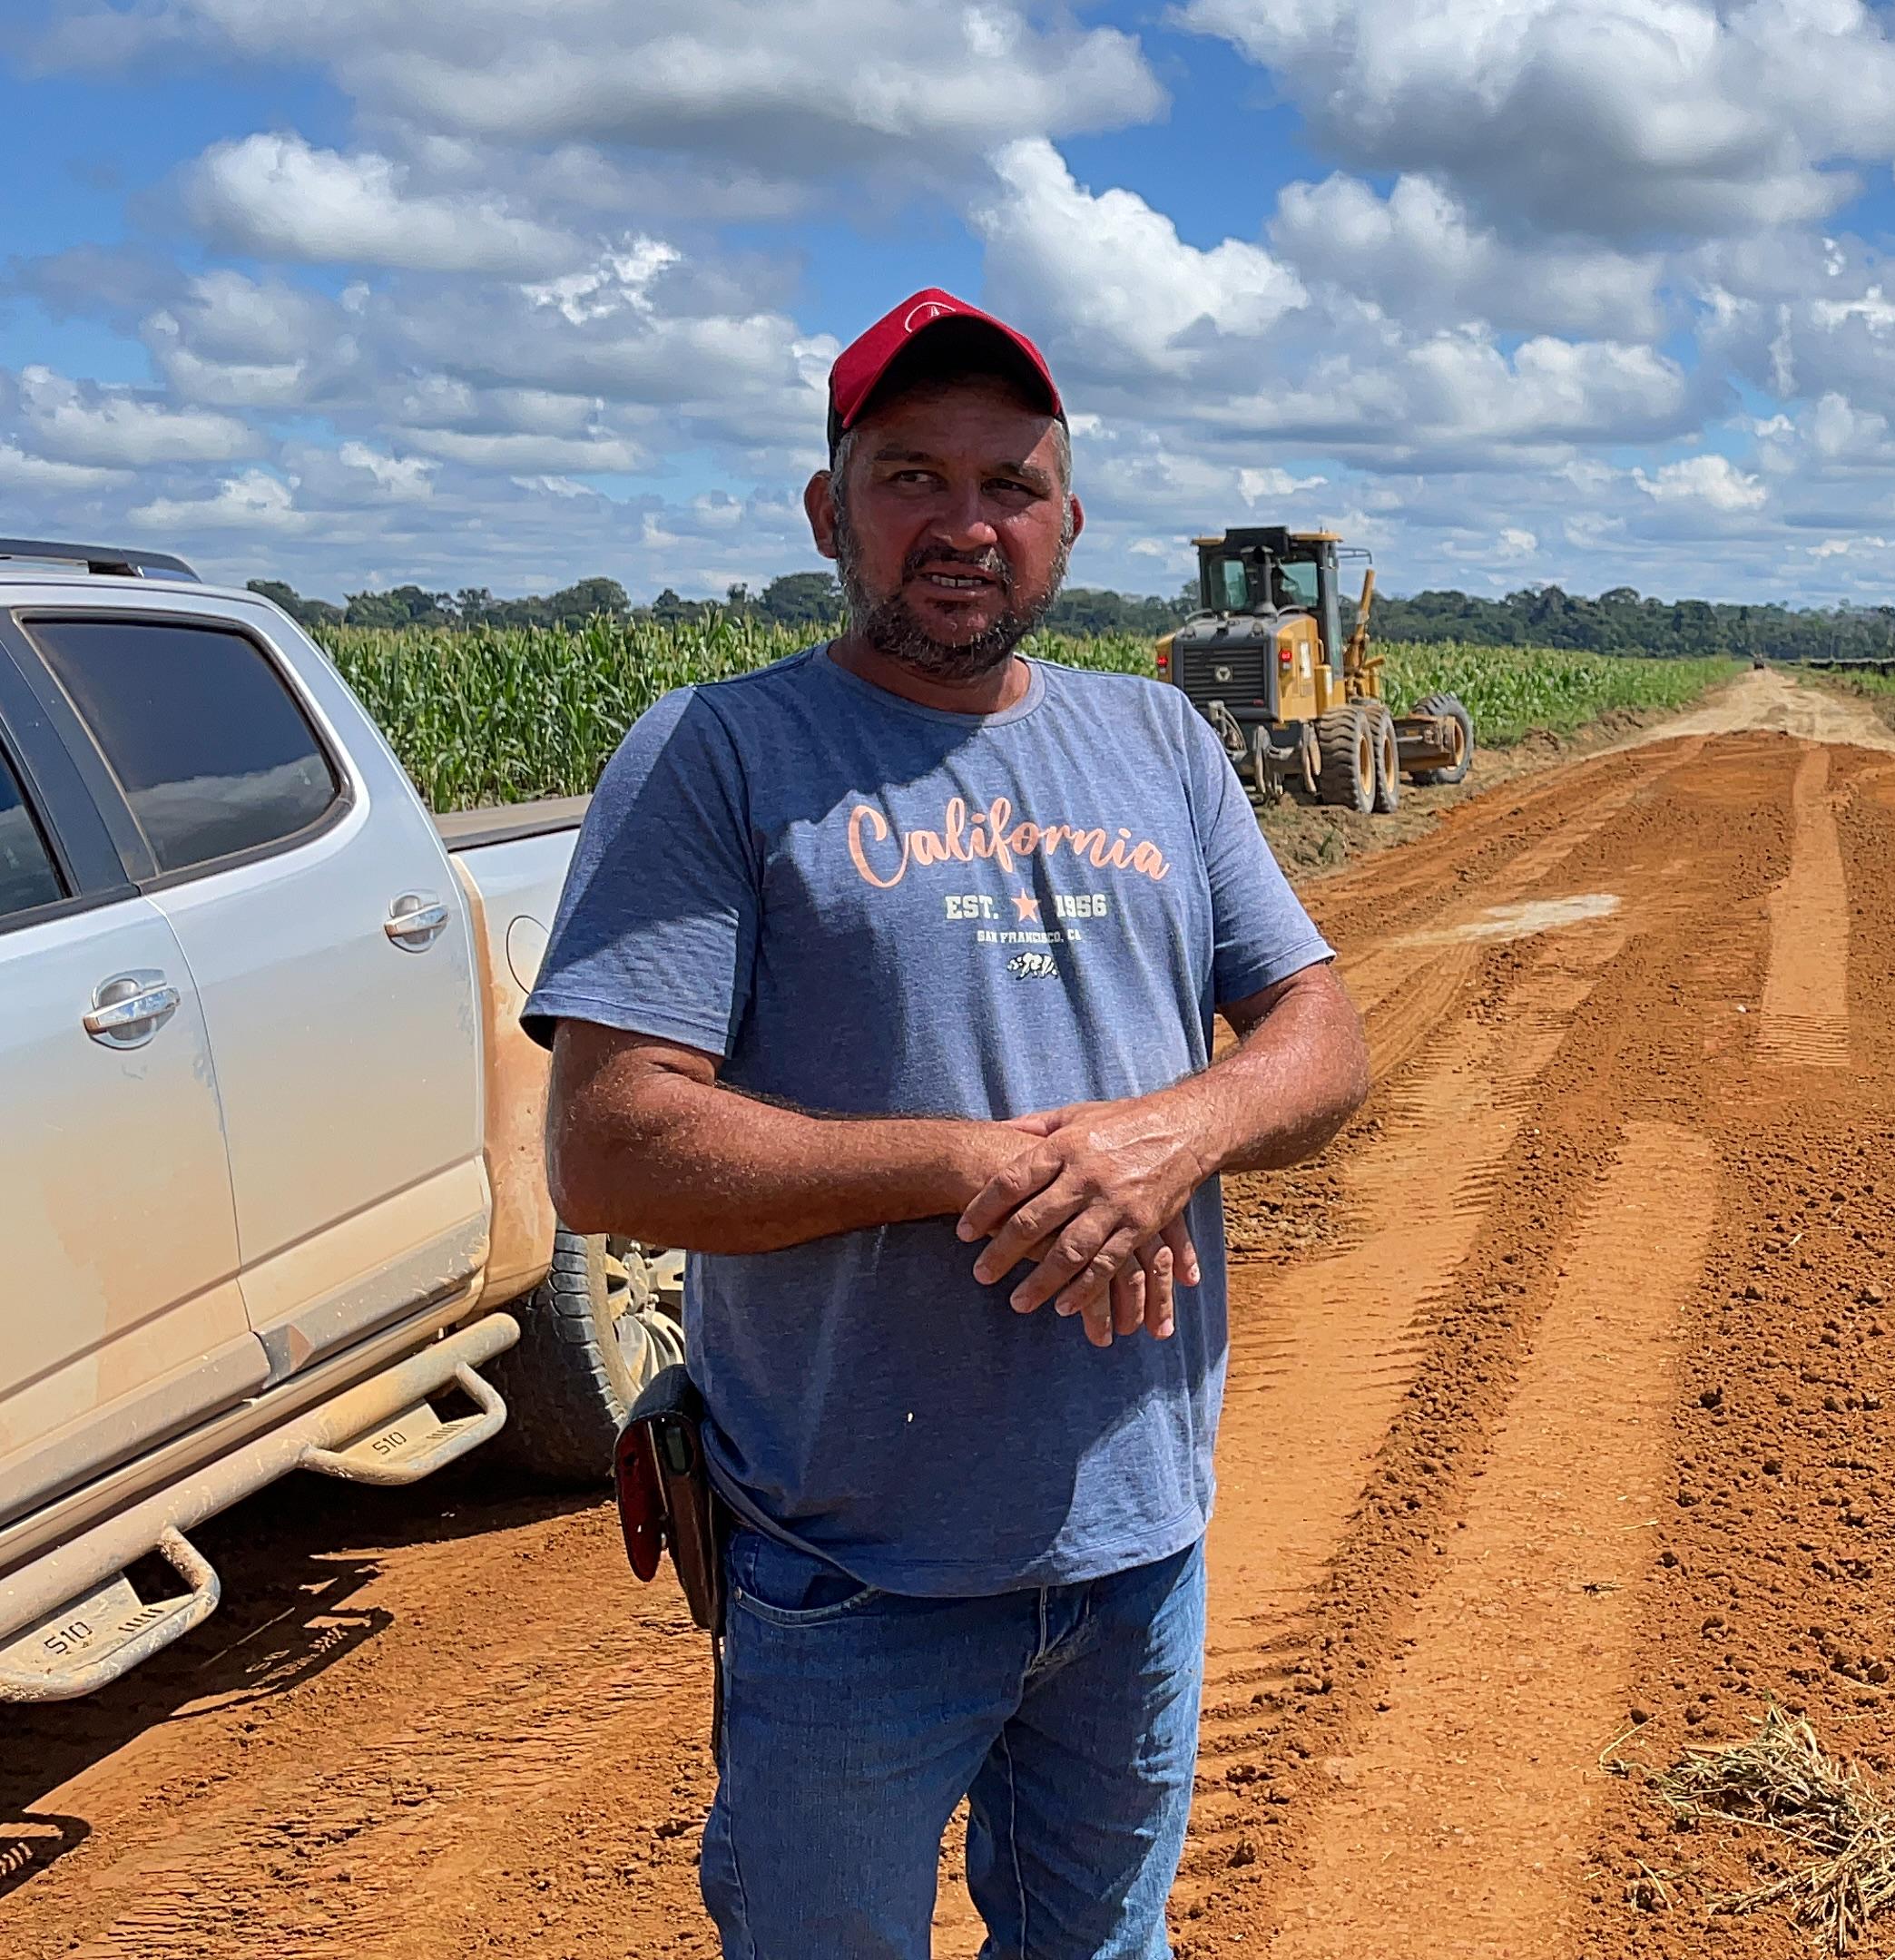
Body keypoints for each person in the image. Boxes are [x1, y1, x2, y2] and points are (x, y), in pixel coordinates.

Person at [529, 288, 1369, 1959]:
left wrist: (1173, 1137)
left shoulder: (1157, 738)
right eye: (912, 477)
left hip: (1138, 1543)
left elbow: (1320, 1033)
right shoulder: (720, 753)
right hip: (849, 1569)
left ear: (1067, 520)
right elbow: (614, 1144)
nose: (965, 525)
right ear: (830, 510)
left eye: (1010, 484)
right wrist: (974, 1163)